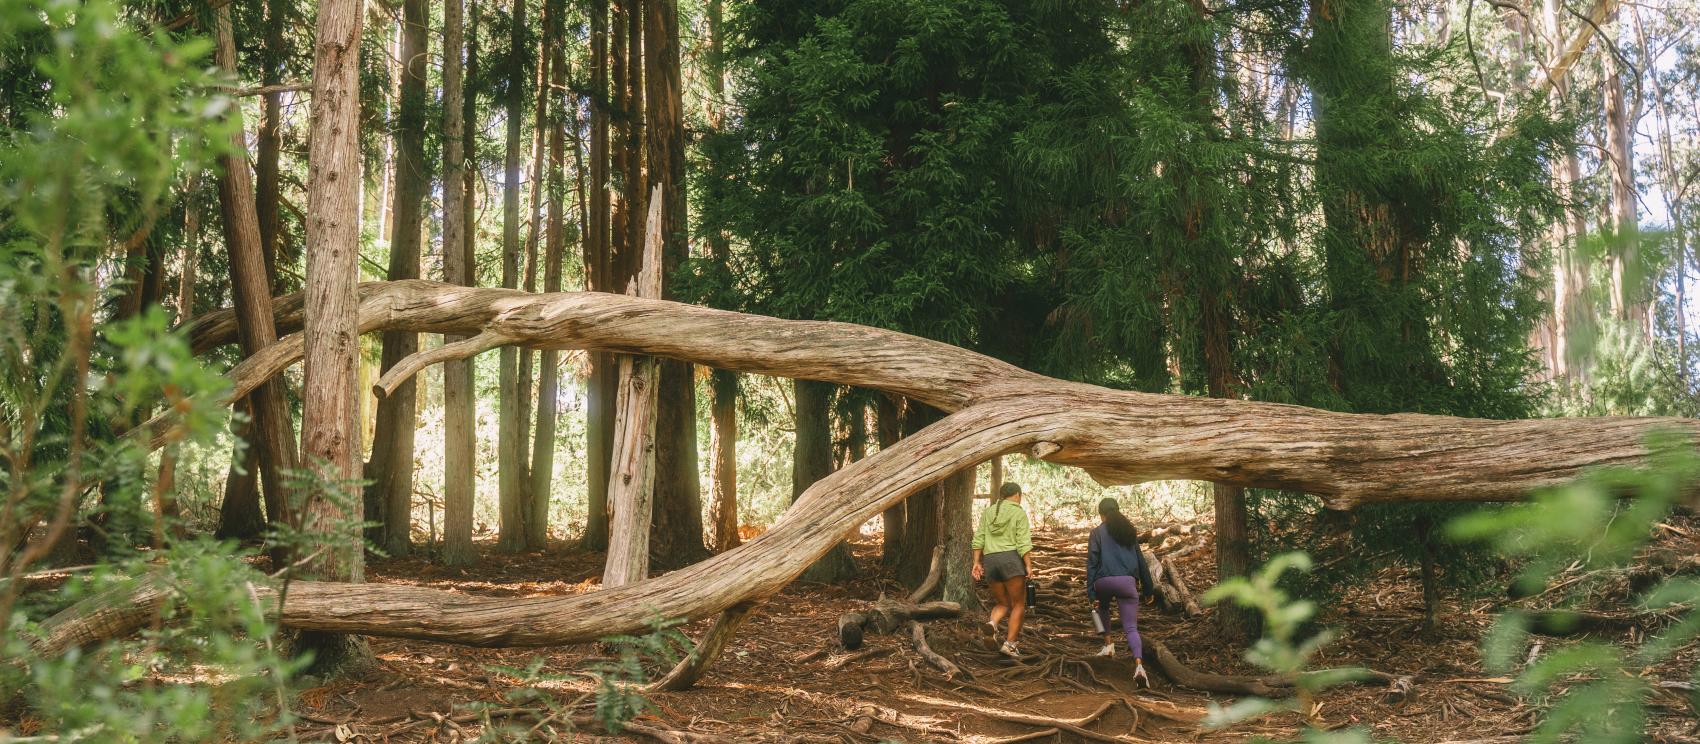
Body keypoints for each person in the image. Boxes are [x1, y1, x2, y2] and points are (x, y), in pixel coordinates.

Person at [1086, 497, 1155, 687]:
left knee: (1103, 607)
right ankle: (1139, 667)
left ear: (1101, 514)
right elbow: (1141, 562)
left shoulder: (1096, 533)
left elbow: (1092, 563)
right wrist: (1148, 589)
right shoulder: (1129, 532)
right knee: (1131, 628)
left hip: (1103, 582)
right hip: (1127, 583)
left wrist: (1091, 593)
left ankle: (1108, 645)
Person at [971, 481, 1034, 658]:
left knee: (1003, 603)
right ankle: (1010, 645)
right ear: (1017, 495)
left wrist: (977, 562)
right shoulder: (1018, 512)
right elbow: (1023, 542)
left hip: (990, 561)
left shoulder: (989, 511)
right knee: (1018, 604)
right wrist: (1028, 564)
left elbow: (979, 538)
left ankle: (992, 623)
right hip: (1011, 561)